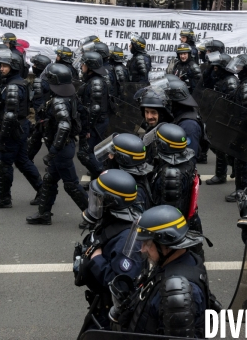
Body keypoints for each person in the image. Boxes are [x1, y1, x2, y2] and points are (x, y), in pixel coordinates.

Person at [115, 205, 211, 336]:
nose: (142, 249)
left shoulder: (176, 292)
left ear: (166, 245)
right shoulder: (181, 260)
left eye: (147, 243)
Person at [74, 169, 143, 331]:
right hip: (100, 306)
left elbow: (122, 287)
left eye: (99, 198)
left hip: (111, 314)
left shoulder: (126, 239)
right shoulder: (112, 219)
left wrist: (96, 258)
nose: (95, 202)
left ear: (112, 202)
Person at [26, 64, 88, 226]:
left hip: (61, 149)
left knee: (71, 185)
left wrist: (52, 152)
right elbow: (82, 114)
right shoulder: (70, 96)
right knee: (49, 180)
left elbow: (65, 126)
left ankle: (93, 217)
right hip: (63, 147)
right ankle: (44, 214)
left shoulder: (59, 101)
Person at [0, 49, 43, 209]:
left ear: (14, 67)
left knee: (4, 163)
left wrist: (4, 134)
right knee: (22, 160)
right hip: (19, 126)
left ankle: (4, 198)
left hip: (12, 128)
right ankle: (43, 191)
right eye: (1, 65)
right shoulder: (14, 83)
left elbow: (11, 114)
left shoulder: (13, 86)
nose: (1, 68)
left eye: (5, 66)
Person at [148, 124, 203, 248]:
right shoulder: (185, 161)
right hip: (189, 225)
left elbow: (169, 217)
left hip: (177, 235)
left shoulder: (171, 174)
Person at [225, 54, 247, 202]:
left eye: (240, 66)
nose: (237, 68)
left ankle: (241, 189)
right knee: (238, 158)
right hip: (242, 128)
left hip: (245, 129)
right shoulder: (246, 82)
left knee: (239, 159)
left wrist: (241, 134)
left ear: (246, 69)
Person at [96, 133, 153, 210]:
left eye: (112, 154)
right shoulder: (129, 180)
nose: (109, 156)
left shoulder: (131, 191)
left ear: (123, 159)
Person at [77, 51, 110, 180]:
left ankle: (104, 177)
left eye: (84, 64)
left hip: (96, 123)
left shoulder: (96, 83)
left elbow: (95, 108)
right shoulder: (93, 80)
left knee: (85, 153)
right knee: (96, 153)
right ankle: (98, 179)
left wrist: (88, 128)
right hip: (97, 122)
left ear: (90, 66)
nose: (81, 66)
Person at [206, 52, 237, 185]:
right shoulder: (220, 79)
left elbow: (233, 104)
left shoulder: (230, 81)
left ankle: (222, 174)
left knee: (222, 148)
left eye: (217, 67)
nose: (214, 69)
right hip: (219, 117)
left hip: (227, 120)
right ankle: (229, 170)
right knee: (217, 146)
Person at [27, 54, 52, 163]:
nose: (33, 66)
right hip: (49, 112)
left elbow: (37, 102)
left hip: (43, 114)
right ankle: (28, 158)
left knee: (47, 138)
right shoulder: (51, 78)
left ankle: (53, 160)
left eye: (35, 64)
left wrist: (40, 117)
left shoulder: (39, 81)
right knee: (37, 137)